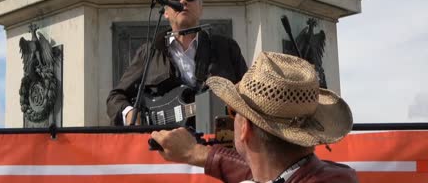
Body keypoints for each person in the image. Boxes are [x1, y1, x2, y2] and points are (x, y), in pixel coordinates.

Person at [151, 51, 358, 183]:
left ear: (245, 128)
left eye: (234, 112)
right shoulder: (332, 176)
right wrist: (193, 152)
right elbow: (257, 170)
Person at [106, 0, 248, 126]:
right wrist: (129, 113)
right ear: (166, 12)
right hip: (164, 140)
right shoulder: (150, 51)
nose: (183, 2)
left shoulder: (226, 47)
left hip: (215, 137)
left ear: (200, 8)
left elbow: (247, 92)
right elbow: (115, 97)